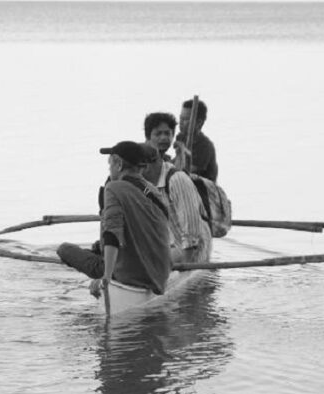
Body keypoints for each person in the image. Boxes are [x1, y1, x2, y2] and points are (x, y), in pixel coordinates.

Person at [57, 141, 172, 297]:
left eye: (110, 164)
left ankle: (110, 272)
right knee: (98, 248)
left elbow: (112, 234)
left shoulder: (113, 188)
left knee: (64, 249)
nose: (109, 169)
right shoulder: (153, 190)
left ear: (118, 165)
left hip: (129, 275)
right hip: (160, 275)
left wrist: (106, 277)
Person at [141, 112, 211, 264]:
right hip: (171, 240)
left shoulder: (176, 178)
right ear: (148, 137)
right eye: (158, 134)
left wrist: (185, 268)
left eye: (167, 133)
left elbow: (191, 234)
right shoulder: (143, 170)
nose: (164, 138)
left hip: (191, 246)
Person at [175, 98, 218, 182]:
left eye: (185, 119)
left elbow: (188, 170)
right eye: (180, 118)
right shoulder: (181, 137)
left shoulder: (205, 145)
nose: (180, 122)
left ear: (199, 123)